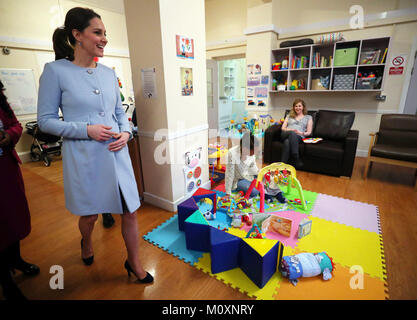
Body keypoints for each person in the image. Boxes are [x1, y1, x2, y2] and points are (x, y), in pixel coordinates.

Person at [37, 7, 153, 283]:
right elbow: (45, 121)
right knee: (89, 217)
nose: (104, 39)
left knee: (130, 212)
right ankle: (86, 242)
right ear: (77, 35)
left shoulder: (108, 73)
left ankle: (134, 263)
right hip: (84, 157)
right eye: (97, 32)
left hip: (116, 153)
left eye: (105, 34)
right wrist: (85, 129)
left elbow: (118, 113)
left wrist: (126, 132)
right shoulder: (55, 72)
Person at [0, 80, 40, 300]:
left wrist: (8, 136)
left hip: (6, 169)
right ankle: (5, 280)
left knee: (14, 219)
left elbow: (15, 124)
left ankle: (16, 259)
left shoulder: (0, 98)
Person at [280, 99, 313, 168]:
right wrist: (290, 130)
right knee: (292, 133)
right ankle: (296, 158)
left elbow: (309, 132)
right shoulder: (289, 116)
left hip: (299, 136)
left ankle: (282, 166)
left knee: (287, 142)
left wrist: (300, 132)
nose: (298, 108)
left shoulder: (308, 117)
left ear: (303, 107)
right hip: (286, 134)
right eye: (296, 106)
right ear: (293, 107)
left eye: (299, 106)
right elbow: (283, 128)